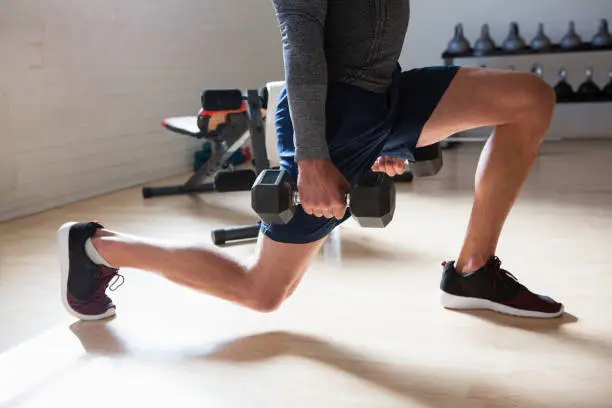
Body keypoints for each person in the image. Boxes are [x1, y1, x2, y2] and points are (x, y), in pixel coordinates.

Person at [57, 0, 564, 321]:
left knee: (528, 98)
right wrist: (313, 161)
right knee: (262, 292)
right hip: (331, 116)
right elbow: (301, 58)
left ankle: (472, 271)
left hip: (385, 95)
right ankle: (97, 247)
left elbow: (375, 36)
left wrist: (396, 133)